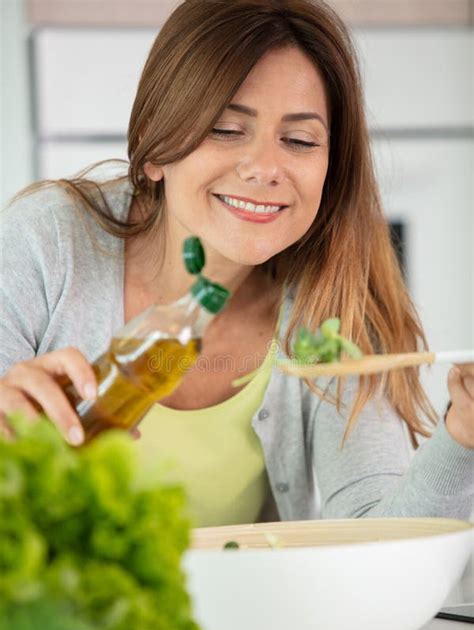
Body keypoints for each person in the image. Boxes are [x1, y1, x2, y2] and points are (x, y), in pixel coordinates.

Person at [0, 0, 472, 527]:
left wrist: (465, 439)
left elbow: (378, 539)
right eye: (226, 130)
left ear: (329, 171)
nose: (266, 169)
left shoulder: (333, 306)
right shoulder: (46, 241)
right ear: (155, 148)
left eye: (299, 141)